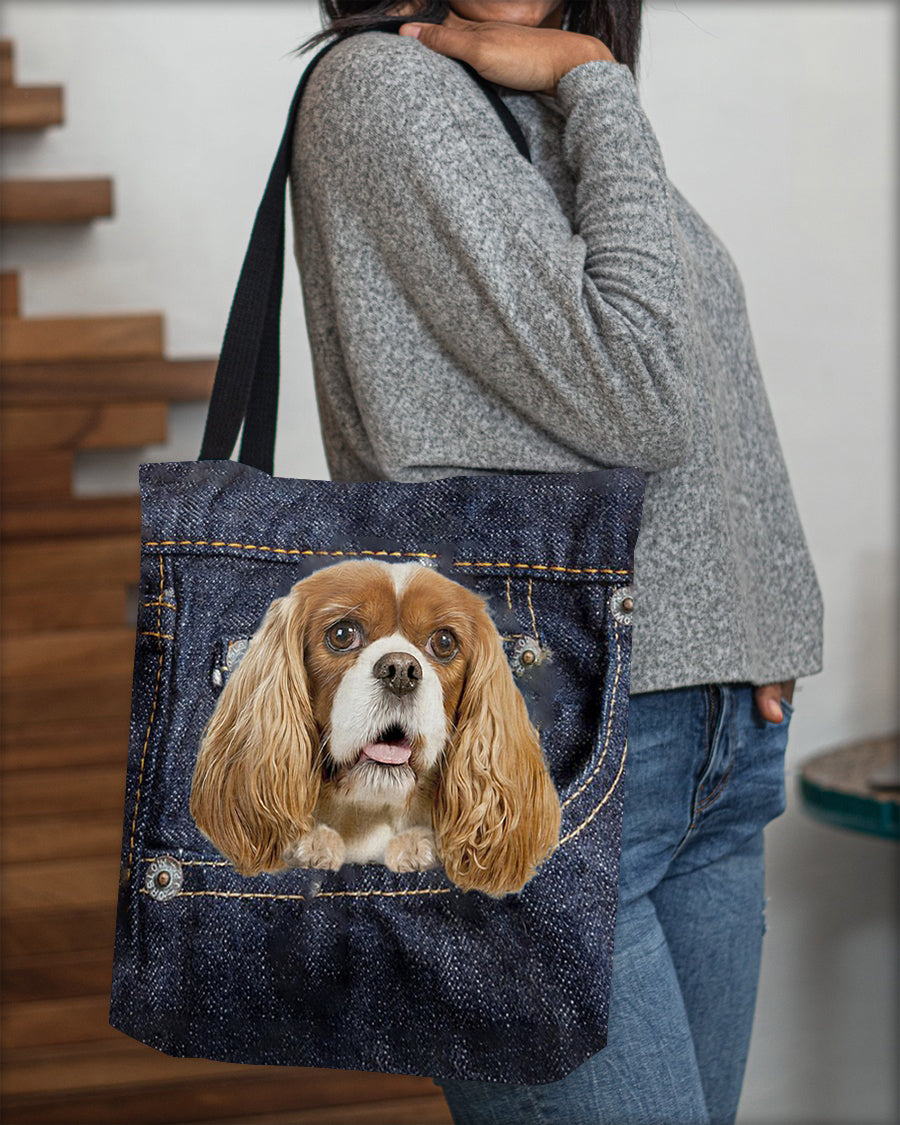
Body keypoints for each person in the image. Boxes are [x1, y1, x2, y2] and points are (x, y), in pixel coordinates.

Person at [288, 2, 824, 1122]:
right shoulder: (389, 90)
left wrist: (752, 629)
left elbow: (703, 369)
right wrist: (598, 78)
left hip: (705, 748)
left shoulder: (534, 97)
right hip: (538, 757)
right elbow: (640, 392)